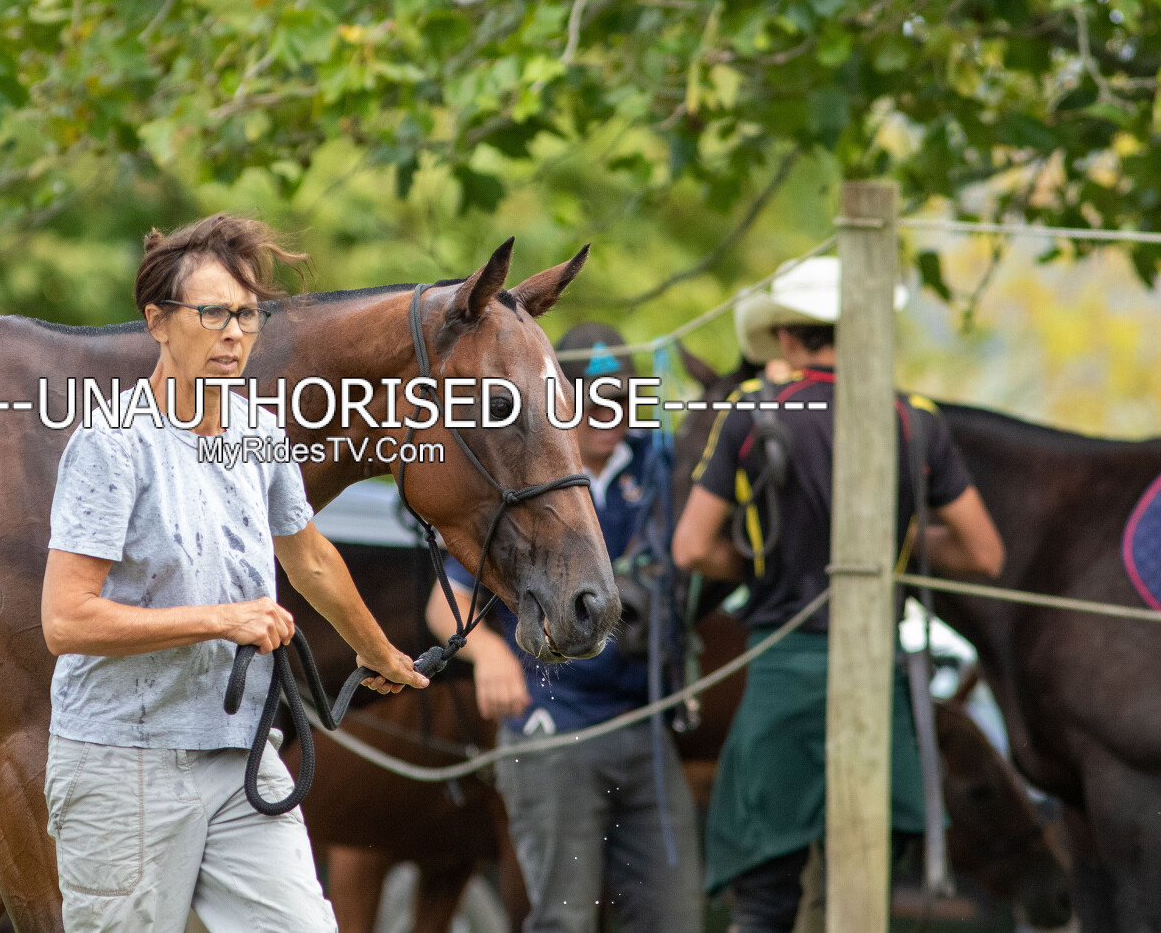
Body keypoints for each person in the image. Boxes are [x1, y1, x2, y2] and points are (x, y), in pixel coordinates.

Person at [38, 213, 430, 932]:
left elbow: (309, 557)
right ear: (158, 321)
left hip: (241, 755)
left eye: (248, 315)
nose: (235, 333)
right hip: (122, 762)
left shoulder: (258, 431)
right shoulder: (111, 444)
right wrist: (224, 619)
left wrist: (379, 653)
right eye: (213, 313)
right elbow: (66, 621)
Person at [670, 256, 1005, 933]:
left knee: (765, 903)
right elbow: (983, 553)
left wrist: (764, 559)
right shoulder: (914, 419)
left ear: (786, 339)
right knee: (861, 900)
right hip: (875, 679)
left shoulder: (751, 413)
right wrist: (883, 545)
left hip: (783, 676)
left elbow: (692, 548)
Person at [426, 322, 704, 933]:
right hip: (552, 730)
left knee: (675, 918)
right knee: (563, 921)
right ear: (558, 400)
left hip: (644, 728)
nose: (609, 413)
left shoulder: (660, 470)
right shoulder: (516, 478)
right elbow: (444, 604)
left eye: (621, 398)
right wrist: (489, 656)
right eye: (591, 398)